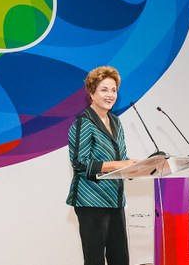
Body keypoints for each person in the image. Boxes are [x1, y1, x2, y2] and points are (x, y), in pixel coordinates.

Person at [66, 66, 137, 265]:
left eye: (114, 90)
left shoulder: (115, 121)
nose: (110, 95)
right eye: (104, 89)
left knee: (120, 258)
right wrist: (120, 164)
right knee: (95, 259)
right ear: (91, 92)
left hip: (115, 200)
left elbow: (118, 158)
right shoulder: (84, 122)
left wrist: (135, 167)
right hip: (91, 202)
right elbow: (80, 164)